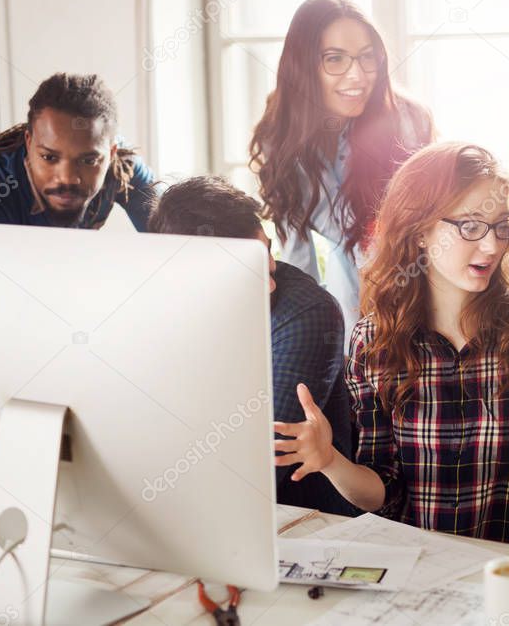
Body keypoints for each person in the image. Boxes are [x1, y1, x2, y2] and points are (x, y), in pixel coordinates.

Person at [274, 142, 509, 552]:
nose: (491, 246)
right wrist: (330, 461)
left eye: (502, 227)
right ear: (419, 231)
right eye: (470, 226)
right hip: (422, 567)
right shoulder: (375, 342)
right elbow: (382, 490)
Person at [147, 175, 354, 515]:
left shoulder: (308, 313)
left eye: (267, 251)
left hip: (306, 520)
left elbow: (260, 470)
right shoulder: (157, 308)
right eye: (247, 266)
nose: (271, 281)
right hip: (190, 510)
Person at [249, 0, 434, 337]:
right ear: (303, 65)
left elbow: (434, 236)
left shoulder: (407, 123)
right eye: (334, 59)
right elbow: (296, 257)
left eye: (367, 58)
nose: (358, 76)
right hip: (346, 304)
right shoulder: (282, 137)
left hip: (416, 300)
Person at [0, 73, 156, 230]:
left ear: (111, 153)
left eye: (88, 161)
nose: (67, 178)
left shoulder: (123, 169)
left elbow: (174, 245)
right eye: (49, 157)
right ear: (28, 143)